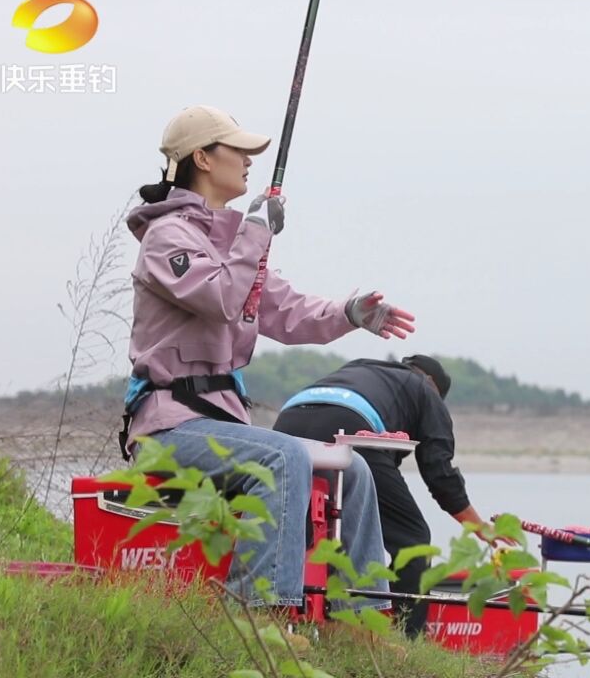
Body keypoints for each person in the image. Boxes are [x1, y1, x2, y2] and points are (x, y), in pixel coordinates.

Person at [122, 104, 415, 613]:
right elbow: (219, 297)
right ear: (203, 159)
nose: (250, 160)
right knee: (283, 457)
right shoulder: (166, 238)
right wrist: (256, 231)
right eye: (238, 149)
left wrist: (350, 312)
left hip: (224, 425)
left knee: (355, 469)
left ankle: (361, 619)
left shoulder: (234, 241)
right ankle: (261, 614)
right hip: (168, 430)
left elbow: (291, 312)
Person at [273, 355, 502, 637]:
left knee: (313, 530)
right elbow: (438, 469)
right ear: (434, 386)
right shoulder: (425, 389)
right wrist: (477, 525)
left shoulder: (364, 368)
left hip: (287, 420)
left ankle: (289, 618)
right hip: (348, 425)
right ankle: (404, 639)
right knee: (412, 539)